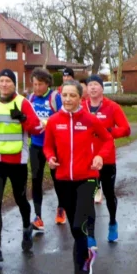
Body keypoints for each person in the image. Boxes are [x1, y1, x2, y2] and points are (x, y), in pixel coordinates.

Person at [43, 81, 114, 274]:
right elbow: (47, 145)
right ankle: (87, 256)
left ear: (79, 98)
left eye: (72, 95)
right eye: (64, 95)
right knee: (76, 230)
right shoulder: (54, 121)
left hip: (88, 178)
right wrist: (50, 158)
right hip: (63, 179)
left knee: (78, 223)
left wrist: (100, 156)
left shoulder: (89, 119)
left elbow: (107, 139)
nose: (67, 99)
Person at [0, 68, 43, 262]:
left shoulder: (23, 103)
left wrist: (23, 119)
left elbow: (37, 129)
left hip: (17, 161)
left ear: (14, 84)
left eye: (8, 81)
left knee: (20, 199)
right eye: (1, 81)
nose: (4, 84)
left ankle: (26, 227)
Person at [83, 75, 131, 245]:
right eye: (90, 85)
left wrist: (108, 131)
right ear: (86, 89)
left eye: (96, 85)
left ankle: (112, 222)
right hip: (87, 160)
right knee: (87, 196)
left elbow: (126, 129)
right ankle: (90, 233)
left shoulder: (112, 107)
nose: (93, 88)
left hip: (107, 159)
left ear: (102, 88)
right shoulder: (81, 106)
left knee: (109, 194)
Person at [27, 68, 62, 234]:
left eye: (39, 84)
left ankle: (61, 207)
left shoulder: (55, 98)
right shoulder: (31, 98)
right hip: (35, 144)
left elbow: (64, 116)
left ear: (47, 84)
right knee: (36, 178)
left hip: (54, 146)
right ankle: (38, 216)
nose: (36, 87)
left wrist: (48, 121)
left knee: (57, 179)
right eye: (34, 84)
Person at [50, 66, 78, 225]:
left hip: (83, 164)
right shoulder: (57, 93)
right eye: (64, 77)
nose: (67, 98)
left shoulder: (86, 115)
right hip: (58, 140)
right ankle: (62, 206)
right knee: (59, 181)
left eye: (68, 77)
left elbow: (106, 137)